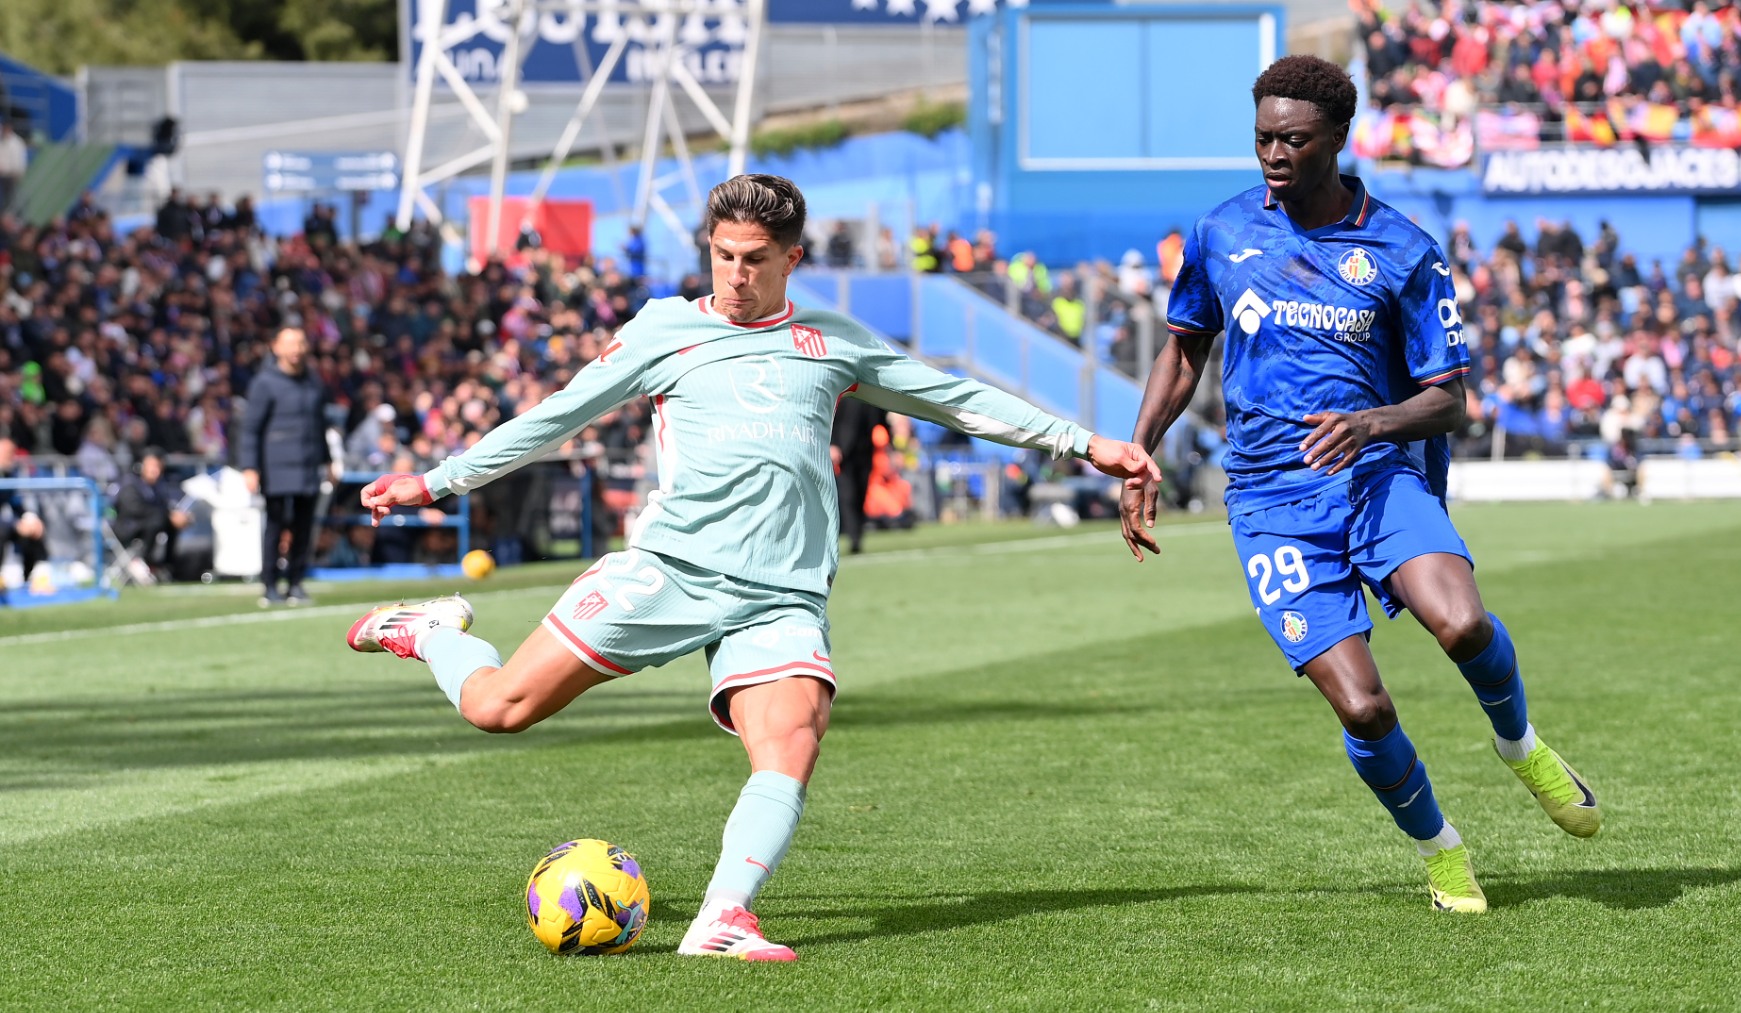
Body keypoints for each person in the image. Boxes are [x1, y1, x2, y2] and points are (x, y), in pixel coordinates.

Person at [345, 174, 1160, 961]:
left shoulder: (833, 340)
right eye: (723, 254)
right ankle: (431, 632)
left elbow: (952, 396)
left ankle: (722, 915)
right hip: (669, 571)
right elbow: (555, 416)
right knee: (498, 707)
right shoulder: (664, 330)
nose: (735, 274)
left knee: (792, 736)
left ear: (791, 259)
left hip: (779, 595)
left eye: (754, 258)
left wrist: (1086, 443)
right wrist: (437, 480)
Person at [1119, 56, 1600, 916]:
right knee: (1366, 707)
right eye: (1262, 136)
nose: (1272, 154)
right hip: (1270, 503)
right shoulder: (1221, 233)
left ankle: (1519, 742)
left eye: (1292, 140)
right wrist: (1138, 449)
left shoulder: (1403, 249)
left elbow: (1449, 400)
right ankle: (1443, 852)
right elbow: (1187, 345)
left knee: (1461, 621)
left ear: (1337, 142)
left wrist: (1372, 423)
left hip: (1377, 474)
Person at [239, 326, 334, 608]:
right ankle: (269, 584)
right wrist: (250, 467)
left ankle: (295, 583)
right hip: (276, 466)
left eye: (301, 343)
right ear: (276, 347)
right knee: (275, 526)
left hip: (307, 465)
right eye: (290, 343)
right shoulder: (264, 383)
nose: (296, 349)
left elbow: (320, 426)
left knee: (304, 528)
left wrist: (328, 460)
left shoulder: (314, 382)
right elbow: (250, 429)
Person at [113, 448, 191, 578]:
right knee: (157, 520)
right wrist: (167, 515)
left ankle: (167, 564)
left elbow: (165, 505)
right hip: (128, 528)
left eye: (159, 466)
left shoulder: (158, 486)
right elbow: (134, 509)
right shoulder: (130, 483)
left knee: (170, 524)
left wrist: (176, 515)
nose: (156, 470)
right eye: (152, 466)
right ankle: (144, 560)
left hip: (147, 525)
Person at [830, 396, 886, 555]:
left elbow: (881, 420)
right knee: (848, 495)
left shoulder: (871, 396)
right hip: (844, 453)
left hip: (866, 451)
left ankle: (857, 535)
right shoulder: (842, 394)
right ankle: (854, 537)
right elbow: (831, 419)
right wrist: (833, 444)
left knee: (861, 493)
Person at [0, 437, 47, 601]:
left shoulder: (9, 474)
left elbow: (17, 504)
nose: (11, 457)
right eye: (7, 453)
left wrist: (30, 519)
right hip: (3, 526)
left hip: (5, 524)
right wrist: (14, 524)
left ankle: (32, 579)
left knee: (33, 530)